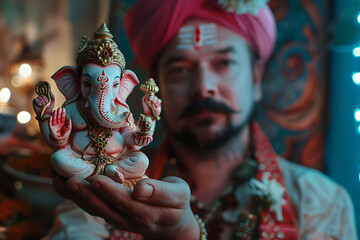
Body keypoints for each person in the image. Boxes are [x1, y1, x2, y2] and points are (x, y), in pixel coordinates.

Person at [46, 0, 358, 239]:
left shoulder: (320, 203)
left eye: (224, 63)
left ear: (257, 77)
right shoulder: (98, 188)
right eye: (180, 69)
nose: (203, 86)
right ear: (158, 85)